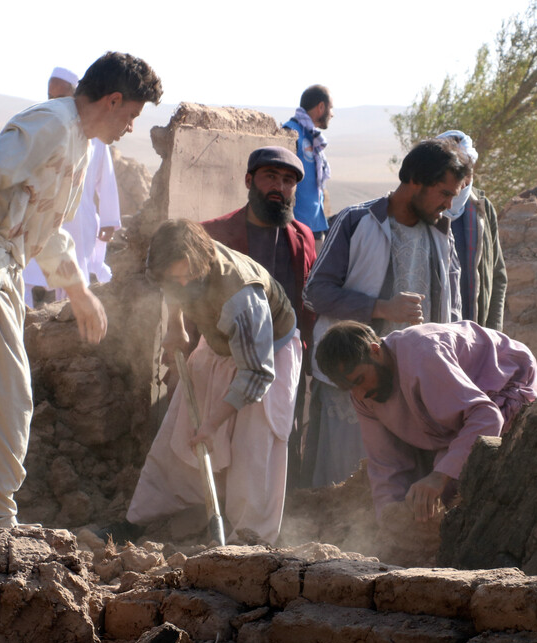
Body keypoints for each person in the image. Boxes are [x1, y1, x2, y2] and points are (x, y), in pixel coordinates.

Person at [0, 52, 162, 530]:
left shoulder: (80, 143)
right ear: (112, 100)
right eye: (130, 116)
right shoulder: (50, 122)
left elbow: (50, 227)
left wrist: (79, 291)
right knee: (4, 406)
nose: (130, 128)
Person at [301, 138, 469, 488]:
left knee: (406, 482)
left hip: (415, 386)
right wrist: (380, 308)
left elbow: (452, 310)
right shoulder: (357, 221)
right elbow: (314, 293)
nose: (449, 204)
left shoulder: (441, 234)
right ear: (415, 182)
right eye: (443, 193)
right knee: (344, 481)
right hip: (354, 381)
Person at [126, 220, 301, 545]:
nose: (180, 282)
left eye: (187, 276)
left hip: (267, 356)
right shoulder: (170, 262)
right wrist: (176, 327)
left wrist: (212, 423)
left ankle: (248, 543)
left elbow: (256, 374)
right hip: (218, 343)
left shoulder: (242, 298)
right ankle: (150, 518)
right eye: (173, 277)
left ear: (203, 263)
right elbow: (172, 286)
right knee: (179, 435)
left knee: (253, 448)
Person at [314, 320, 537, 521]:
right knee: (418, 491)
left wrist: (438, 477)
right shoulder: (363, 395)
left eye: (360, 380)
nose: (360, 394)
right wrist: (389, 518)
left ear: (375, 351)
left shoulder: (423, 356)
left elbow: (488, 418)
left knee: (457, 487)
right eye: (350, 388)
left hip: (507, 384)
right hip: (457, 415)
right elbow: (386, 464)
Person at [201, 146, 316, 478]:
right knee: (222, 436)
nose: (279, 187)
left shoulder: (303, 236)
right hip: (226, 356)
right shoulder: (214, 234)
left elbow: (304, 300)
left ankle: (271, 517)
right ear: (249, 180)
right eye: (271, 177)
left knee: (276, 438)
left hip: (282, 357)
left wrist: (307, 355)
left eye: (288, 180)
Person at [23, 66, 122, 306]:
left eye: (61, 97)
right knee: (30, 273)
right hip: (44, 217)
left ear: (76, 97)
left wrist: (109, 220)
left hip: (79, 221)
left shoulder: (95, 136)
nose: (55, 103)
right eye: (51, 97)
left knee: (73, 274)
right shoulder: (42, 127)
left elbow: (105, 179)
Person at [436, 130, 507, 330]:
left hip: (475, 328)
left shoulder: (481, 208)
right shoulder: (424, 207)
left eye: (468, 171)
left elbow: (497, 275)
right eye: (457, 171)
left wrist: (493, 333)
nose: (464, 179)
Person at [282, 85, 333, 240]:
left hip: (316, 226)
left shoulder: (314, 137)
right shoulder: (291, 133)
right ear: (321, 107)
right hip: (295, 228)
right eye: (331, 108)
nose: (332, 114)